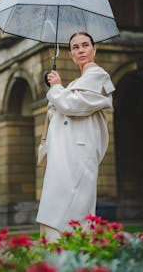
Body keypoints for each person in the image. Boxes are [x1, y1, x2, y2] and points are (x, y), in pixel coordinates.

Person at [36, 32, 115, 242]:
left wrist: (56, 88)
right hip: (63, 153)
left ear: (93, 49)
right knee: (54, 204)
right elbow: (62, 109)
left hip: (79, 153)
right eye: (76, 47)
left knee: (75, 205)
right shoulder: (76, 83)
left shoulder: (98, 75)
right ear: (70, 54)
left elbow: (75, 105)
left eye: (85, 45)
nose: (81, 50)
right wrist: (56, 94)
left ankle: (72, 255)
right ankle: (54, 253)